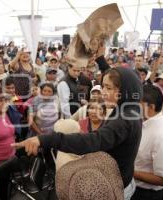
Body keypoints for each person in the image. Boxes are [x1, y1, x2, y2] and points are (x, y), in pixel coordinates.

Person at [12, 45, 143, 200]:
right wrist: (101, 60)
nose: (103, 92)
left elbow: (94, 140)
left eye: (108, 88)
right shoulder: (131, 105)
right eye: (104, 87)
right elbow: (120, 78)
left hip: (114, 189)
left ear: (124, 90)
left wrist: (44, 139)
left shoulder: (125, 119)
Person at [132, 85, 163, 200]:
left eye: (138, 103)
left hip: (145, 194)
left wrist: (130, 171)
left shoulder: (162, 137)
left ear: (151, 107)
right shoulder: (144, 121)